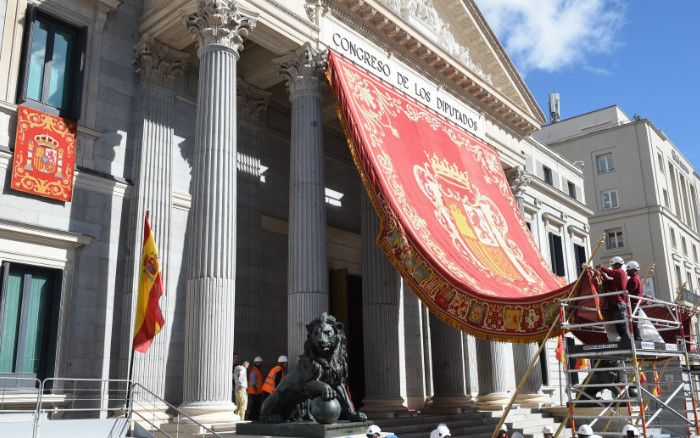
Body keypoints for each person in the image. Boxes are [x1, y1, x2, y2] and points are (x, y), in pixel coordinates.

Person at [598, 256, 631, 344]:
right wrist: (602, 275)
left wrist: (601, 268)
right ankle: (624, 339)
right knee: (618, 323)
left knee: (621, 322)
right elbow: (610, 282)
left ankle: (626, 340)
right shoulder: (617, 276)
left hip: (619, 302)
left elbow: (610, 273)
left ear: (616, 265)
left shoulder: (620, 272)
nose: (612, 267)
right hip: (617, 302)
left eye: (612, 265)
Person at [626, 261, 643, 340]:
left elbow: (629, 291)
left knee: (633, 321)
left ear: (633, 270)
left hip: (633, 303)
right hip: (635, 303)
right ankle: (637, 338)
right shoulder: (635, 278)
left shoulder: (634, 280)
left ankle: (638, 338)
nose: (627, 271)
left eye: (628, 270)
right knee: (633, 321)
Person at [247, 356, 264, 420]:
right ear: (256, 363)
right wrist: (256, 391)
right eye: (260, 363)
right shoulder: (255, 370)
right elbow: (253, 383)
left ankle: (255, 417)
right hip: (255, 392)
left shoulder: (256, 370)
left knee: (256, 405)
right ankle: (252, 417)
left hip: (257, 391)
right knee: (255, 405)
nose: (261, 364)